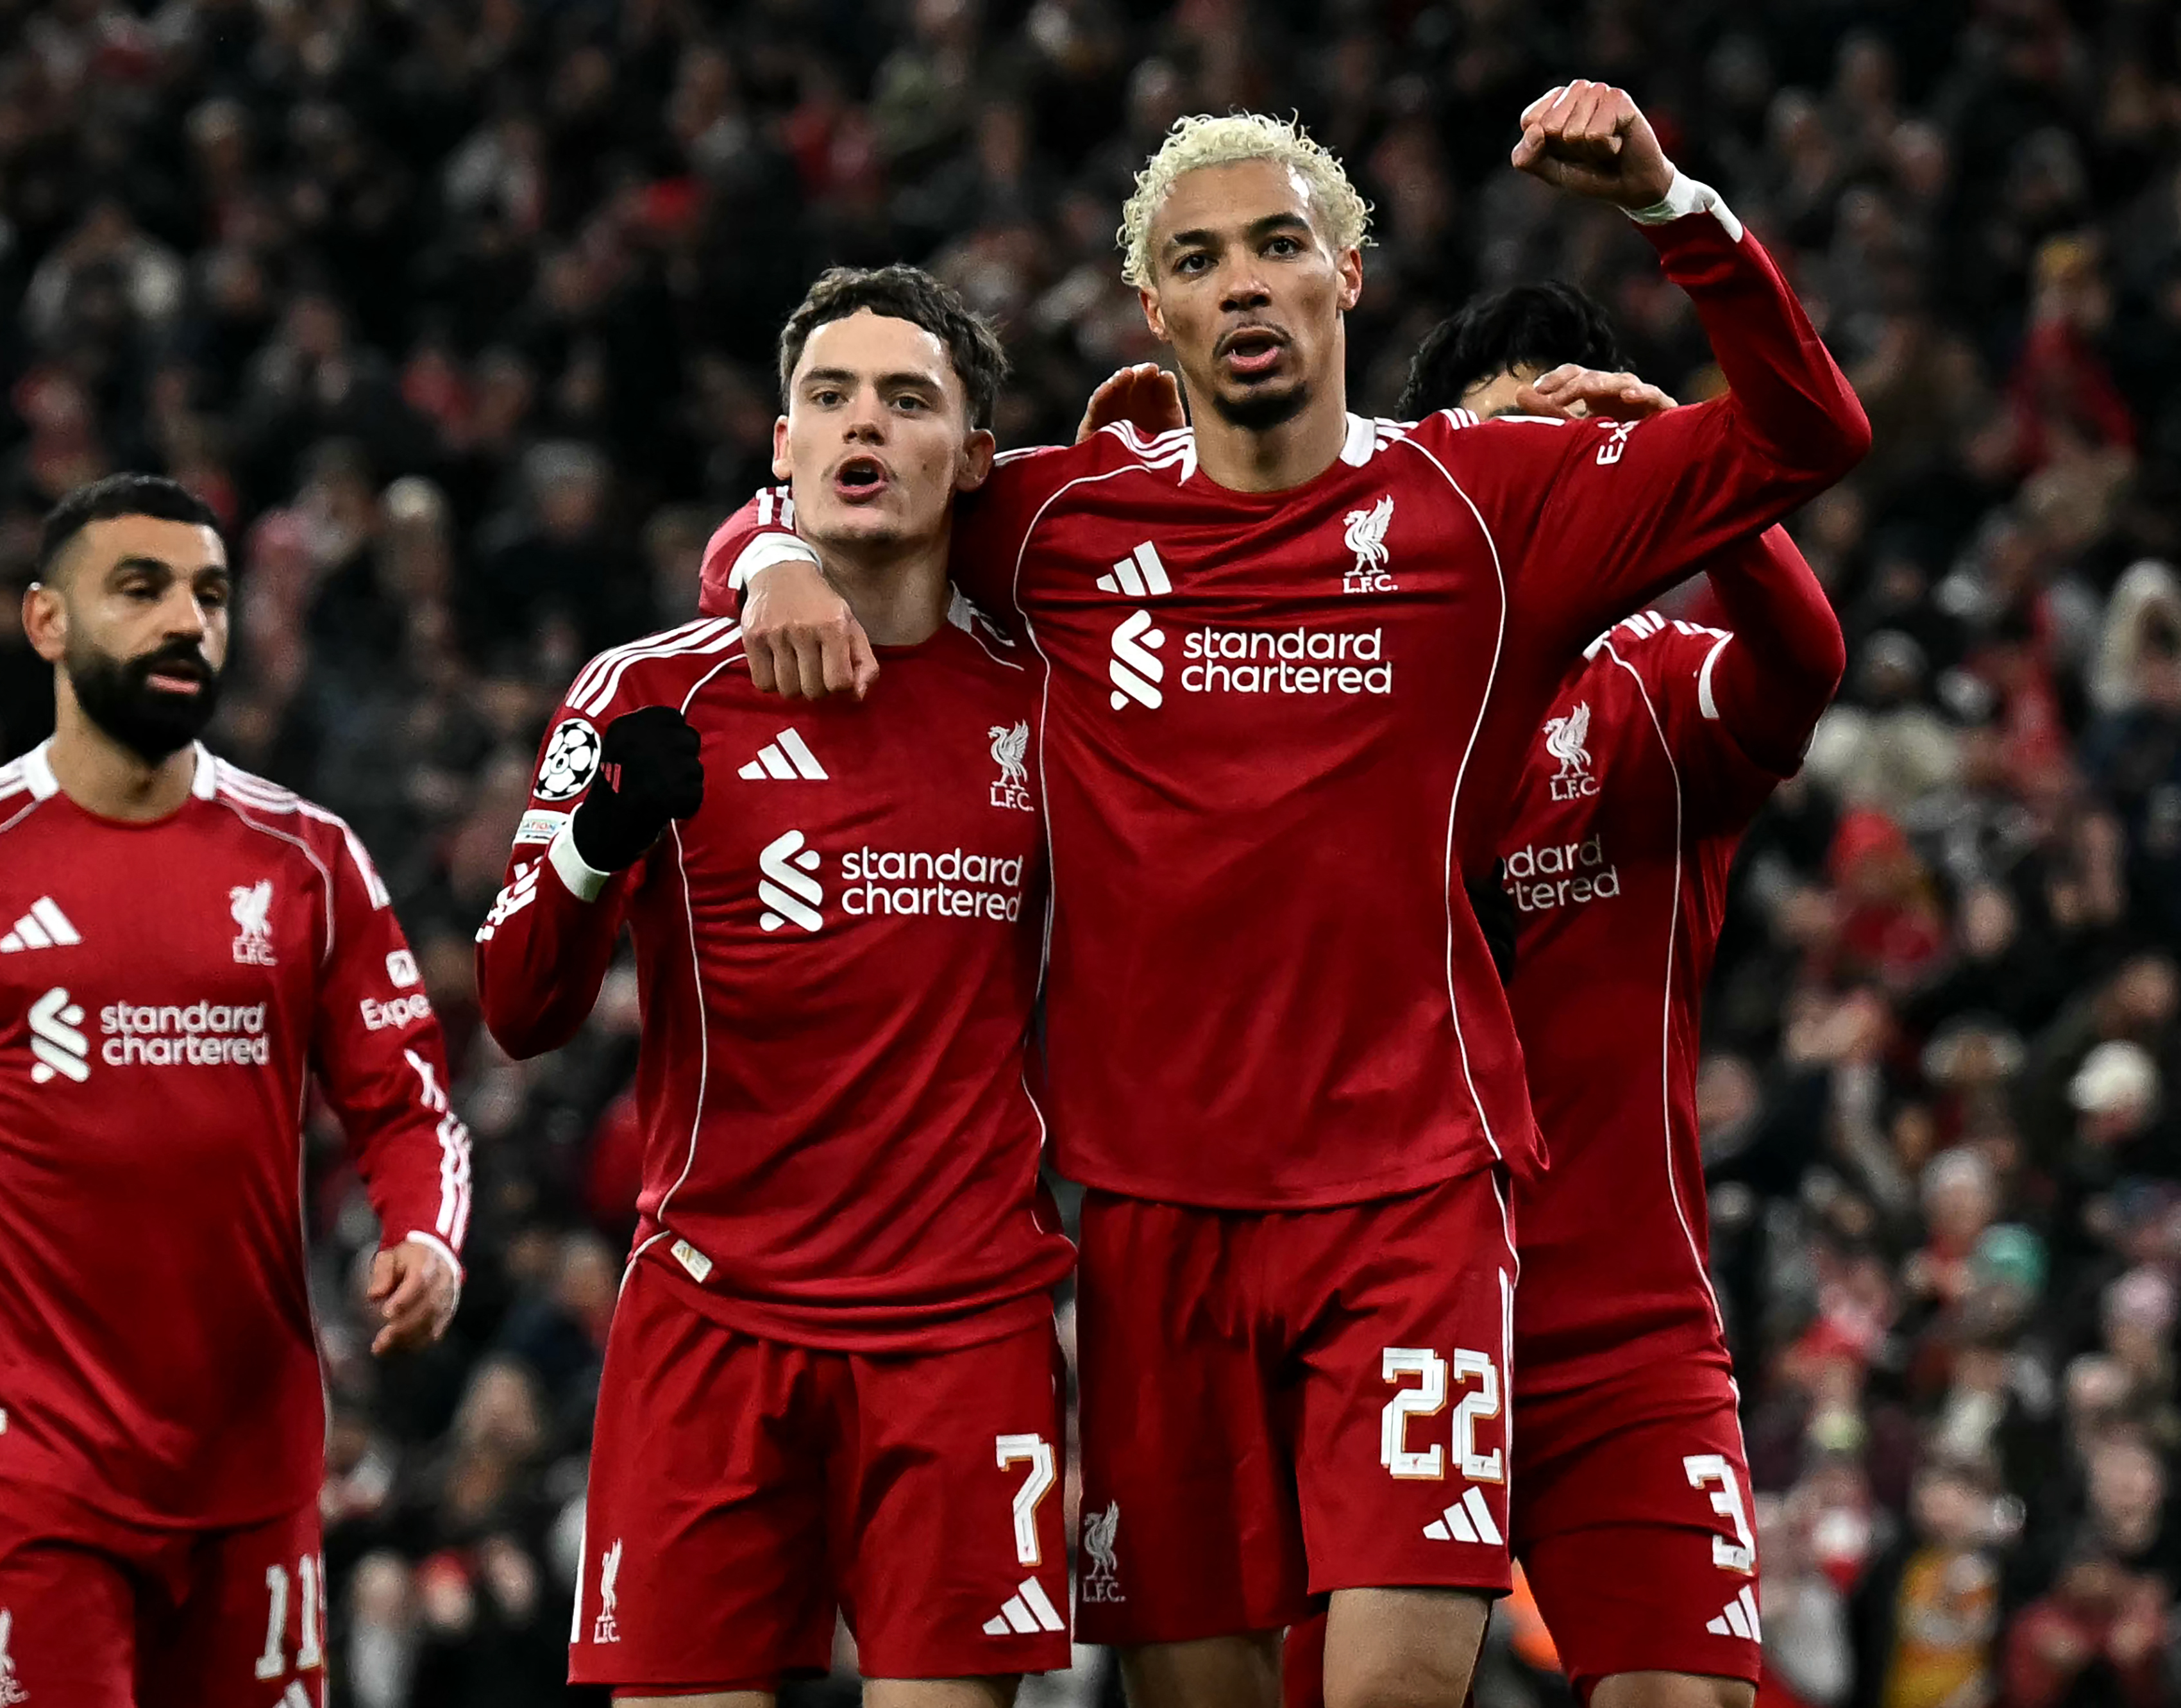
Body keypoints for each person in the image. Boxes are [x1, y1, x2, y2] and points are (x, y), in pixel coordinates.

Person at [703, 84, 1870, 1708]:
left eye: (1277, 246)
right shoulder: (1056, 522)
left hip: (1410, 1200)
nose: (1242, 280)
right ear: (1152, 306)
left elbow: (1807, 437)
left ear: (1345, 276)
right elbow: (847, 495)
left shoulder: (1477, 500)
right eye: (1200, 259)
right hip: (1151, 1220)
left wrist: (1670, 205)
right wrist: (760, 557)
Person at [0, 474, 469, 1708]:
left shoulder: (311, 860)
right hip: (28, 1460)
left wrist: (427, 1232)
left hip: (253, 1465)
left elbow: (406, 1103)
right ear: (46, 622)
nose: (187, 623)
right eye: (142, 589)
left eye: (211, 596)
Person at [476, 265, 1075, 1708]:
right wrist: (591, 841)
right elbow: (515, 1006)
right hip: (710, 1316)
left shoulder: (1049, 702)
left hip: (965, 1329)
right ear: (780, 446)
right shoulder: (646, 691)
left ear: (973, 457)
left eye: (907, 398)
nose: (862, 424)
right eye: (828, 397)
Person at [1278, 283, 1846, 1708]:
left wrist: (1706, 482)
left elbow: (1804, 666)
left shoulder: (1657, 690)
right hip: (1378, 1308)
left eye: (1574, 436)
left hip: (1622, 1326)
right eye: (1502, 439)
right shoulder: (1330, 690)